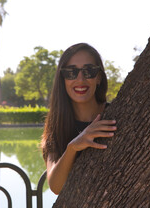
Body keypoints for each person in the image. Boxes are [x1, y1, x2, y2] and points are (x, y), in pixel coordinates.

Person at [41, 43, 117, 194]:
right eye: (71, 72)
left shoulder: (117, 115)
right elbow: (56, 187)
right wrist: (73, 147)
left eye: (89, 71)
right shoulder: (57, 127)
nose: (80, 79)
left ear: (99, 78)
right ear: (63, 79)